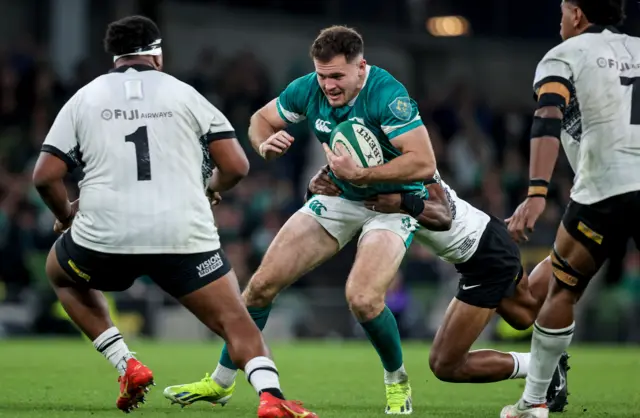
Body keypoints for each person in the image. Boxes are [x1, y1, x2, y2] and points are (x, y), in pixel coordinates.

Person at [32, 15, 317, 417]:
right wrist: (212, 189)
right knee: (236, 322)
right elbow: (236, 166)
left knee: (61, 275)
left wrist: (65, 215)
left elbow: (45, 176)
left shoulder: (85, 97)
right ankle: (271, 397)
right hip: (183, 235)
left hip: (104, 236)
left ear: (114, 57)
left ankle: (127, 364)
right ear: (158, 55)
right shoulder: (186, 95)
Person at [164, 25, 439, 415]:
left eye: (337, 76)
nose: (327, 85)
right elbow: (261, 119)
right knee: (259, 286)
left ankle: (397, 382)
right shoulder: (308, 87)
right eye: (322, 75)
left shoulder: (387, 95)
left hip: (391, 203)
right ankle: (221, 382)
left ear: (361, 67)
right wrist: (263, 143)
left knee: (362, 299)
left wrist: (359, 175)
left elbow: (424, 162)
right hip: (340, 197)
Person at [308, 167, 570, 412]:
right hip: (483, 244)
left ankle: (541, 368)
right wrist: (315, 190)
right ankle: (575, 254)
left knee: (446, 364)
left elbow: (441, 215)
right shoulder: (393, 159)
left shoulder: (410, 162)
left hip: (486, 256)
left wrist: (401, 202)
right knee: (523, 316)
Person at [501, 0, 640, 417]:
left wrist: (536, 192)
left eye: (562, 8)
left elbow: (547, 115)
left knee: (562, 289)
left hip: (605, 187)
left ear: (577, 14)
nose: (559, 18)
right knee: (535, 291)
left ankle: (534, 401)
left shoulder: (563, 54)